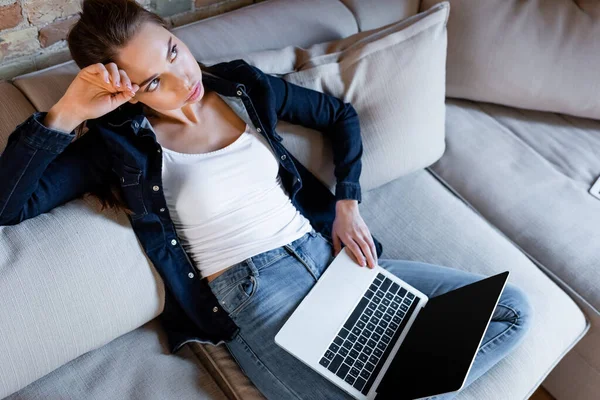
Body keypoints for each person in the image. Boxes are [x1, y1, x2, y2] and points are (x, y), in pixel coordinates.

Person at [0, 0, 533, 398]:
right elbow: (10, 205)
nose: (182, 79)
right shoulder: (115, 144)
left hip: (334, 258)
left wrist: (348, 204)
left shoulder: (241, 87)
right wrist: (65, 114)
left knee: (510, 310)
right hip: (254, 297)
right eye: (153, 82)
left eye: (173, 52)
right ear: (127, 92)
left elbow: (339, 116)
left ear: (174, 34)